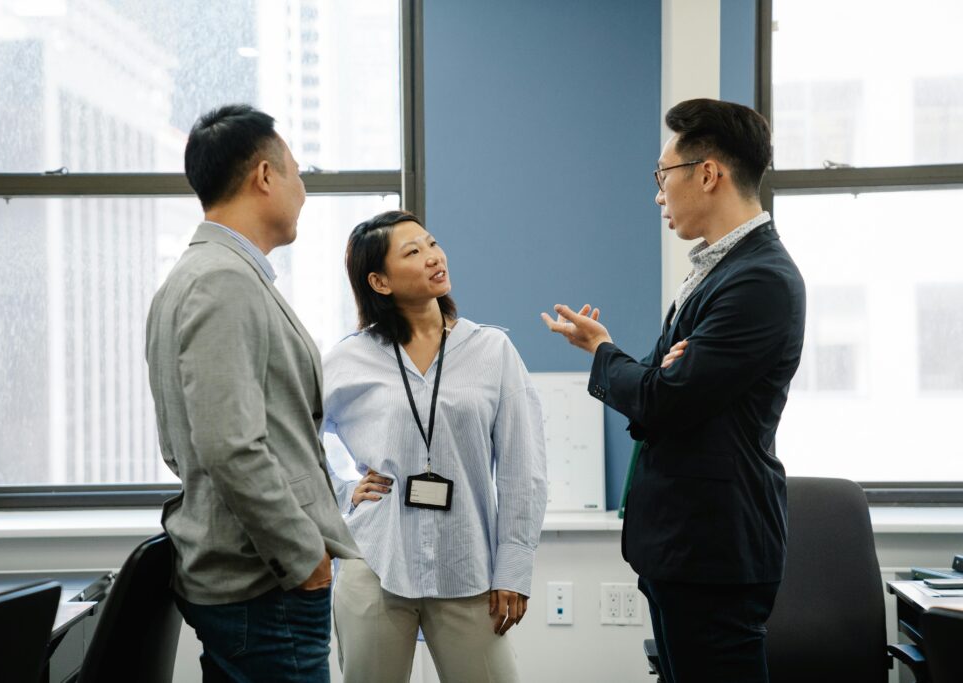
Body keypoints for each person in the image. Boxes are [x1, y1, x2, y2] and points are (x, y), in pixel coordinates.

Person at [543, 98, 806, 683]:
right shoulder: (718, 269)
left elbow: (664, 400)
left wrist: (607, 355)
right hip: (682, 544)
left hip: (713, 548)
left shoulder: (759, 278)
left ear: (707, 173)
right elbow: (666, 389)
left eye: (663, 177)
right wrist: (656, 375)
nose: (658, 195)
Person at [146, 104, 359, 682]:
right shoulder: (222, 280)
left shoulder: (201, 275)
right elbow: (228, 444)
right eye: (296, 173)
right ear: (265, 177)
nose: (305, 192)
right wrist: (303, 557)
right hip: (265, 581)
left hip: (251, 577)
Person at [321, 210, 547, 683]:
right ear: (379, 282)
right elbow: (296, 437)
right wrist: (343, 492)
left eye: (432, 244)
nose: (433, 257)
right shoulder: (349, 358)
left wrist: (514, 568)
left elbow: (522, 469)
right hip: (376, 560)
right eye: (413, 252)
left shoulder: (492, 351)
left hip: (468, 565)